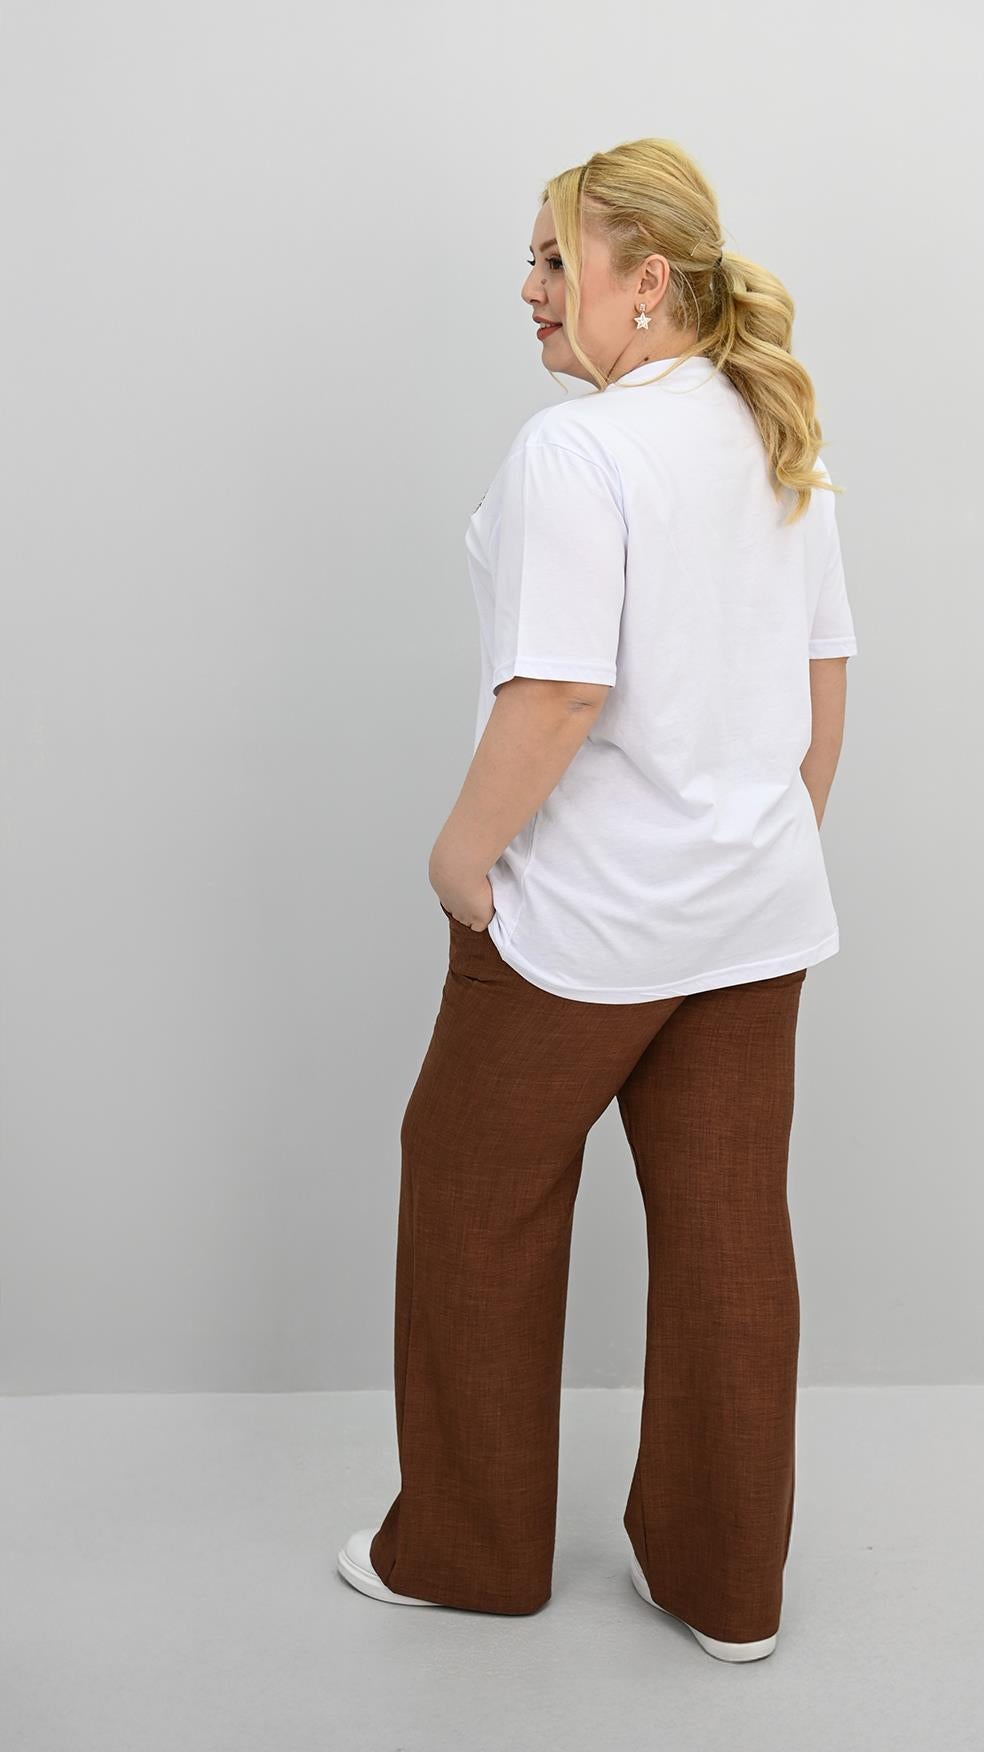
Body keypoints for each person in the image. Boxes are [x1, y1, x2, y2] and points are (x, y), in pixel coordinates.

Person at [336, 137, 857, 1662]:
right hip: (754, 917)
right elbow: (824, 685)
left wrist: (459, 858)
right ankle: (727, 1591)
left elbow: (560, 692)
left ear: (651, 281)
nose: (530, 288)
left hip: (582, 927)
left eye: (557, 259)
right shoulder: (777, 436)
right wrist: (754, 846)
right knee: (727, 1231)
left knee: (471, 1194)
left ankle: (470, 1553)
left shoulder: (578, 452)